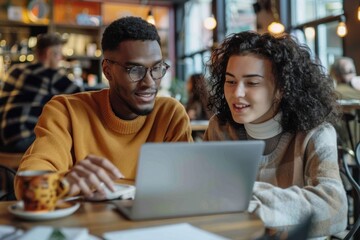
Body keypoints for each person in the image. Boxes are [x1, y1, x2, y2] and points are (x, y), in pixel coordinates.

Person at [14, 17, 193, 199]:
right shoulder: (65, 111)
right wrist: (63, 183)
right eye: (135, 70)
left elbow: (190, 187)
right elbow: (27, 188)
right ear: (107, 71)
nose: (149, 82)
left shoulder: (170, 115)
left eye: (157, 68)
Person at [203, 31, 347, 238]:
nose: (236, 93)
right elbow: (204, 196)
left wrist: (249, 202)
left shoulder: (316, 133)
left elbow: (336, 210)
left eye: (252, 83)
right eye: (230, 81)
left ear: (281, 88)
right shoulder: (220, 127)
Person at [0, 33, 83, 153]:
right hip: (23, 140)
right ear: (49, 53)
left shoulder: (15, 70)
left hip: (3, 142)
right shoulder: (51, 76)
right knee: (68, 142)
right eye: (59, 54)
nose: (61, 58)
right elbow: (83, 96)